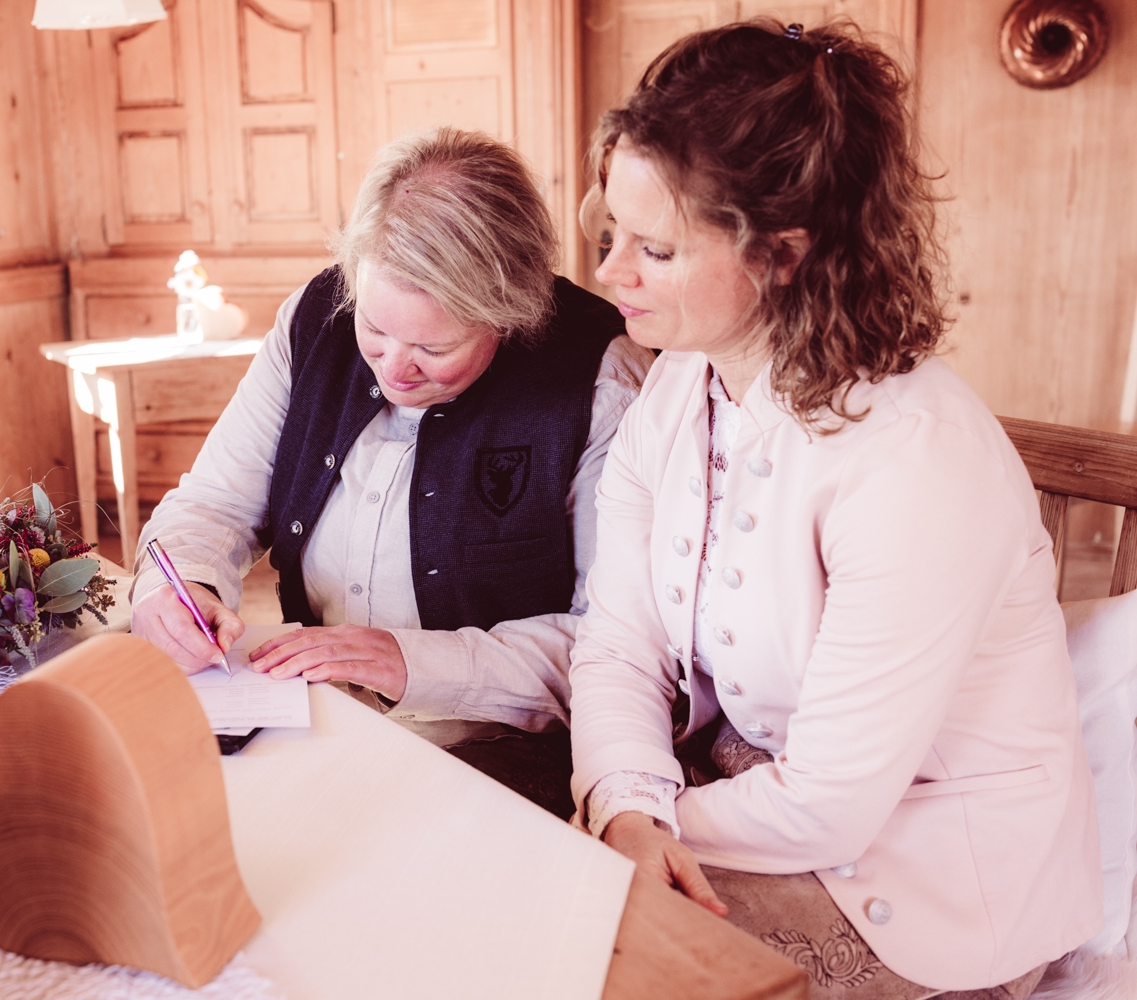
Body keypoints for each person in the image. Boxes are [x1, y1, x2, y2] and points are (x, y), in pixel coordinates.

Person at [569, 19, 1101, 998]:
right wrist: (626, 807)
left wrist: (645, 822)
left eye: (654, 248)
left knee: (573, 955)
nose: (609, 274)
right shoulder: (675, 387)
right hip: (735, 810)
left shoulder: (914, 460)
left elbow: (827, 807)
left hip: (925, 892)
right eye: (612, 236)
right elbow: (617, 646)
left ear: (780, 254)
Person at [130, 127, 653, 815]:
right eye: (375, 330)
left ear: (510, 311)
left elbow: (617, 645)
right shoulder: (314, 319)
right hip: (312, 717)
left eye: (434, 347)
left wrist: (409, 662)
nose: (392, 369)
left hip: (501, 752)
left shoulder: (598, 377)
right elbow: (214, 503)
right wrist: (182, 584)